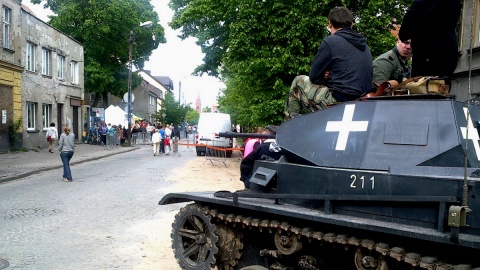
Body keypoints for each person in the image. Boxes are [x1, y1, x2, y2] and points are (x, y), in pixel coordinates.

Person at [286, 6, 373, 118]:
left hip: (339, 102)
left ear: (330, 24)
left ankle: (290, 127)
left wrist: (328, 76)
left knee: (298, 82)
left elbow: (314, 77)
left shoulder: (331, 41)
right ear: (352, 25)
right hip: (361, 102)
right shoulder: (364, 45)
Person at [398, 0, 461, 79]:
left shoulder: (424, 3)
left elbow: (405, 32)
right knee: (442, 87)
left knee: (423, 87)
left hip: (428, 54)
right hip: (448, 52)